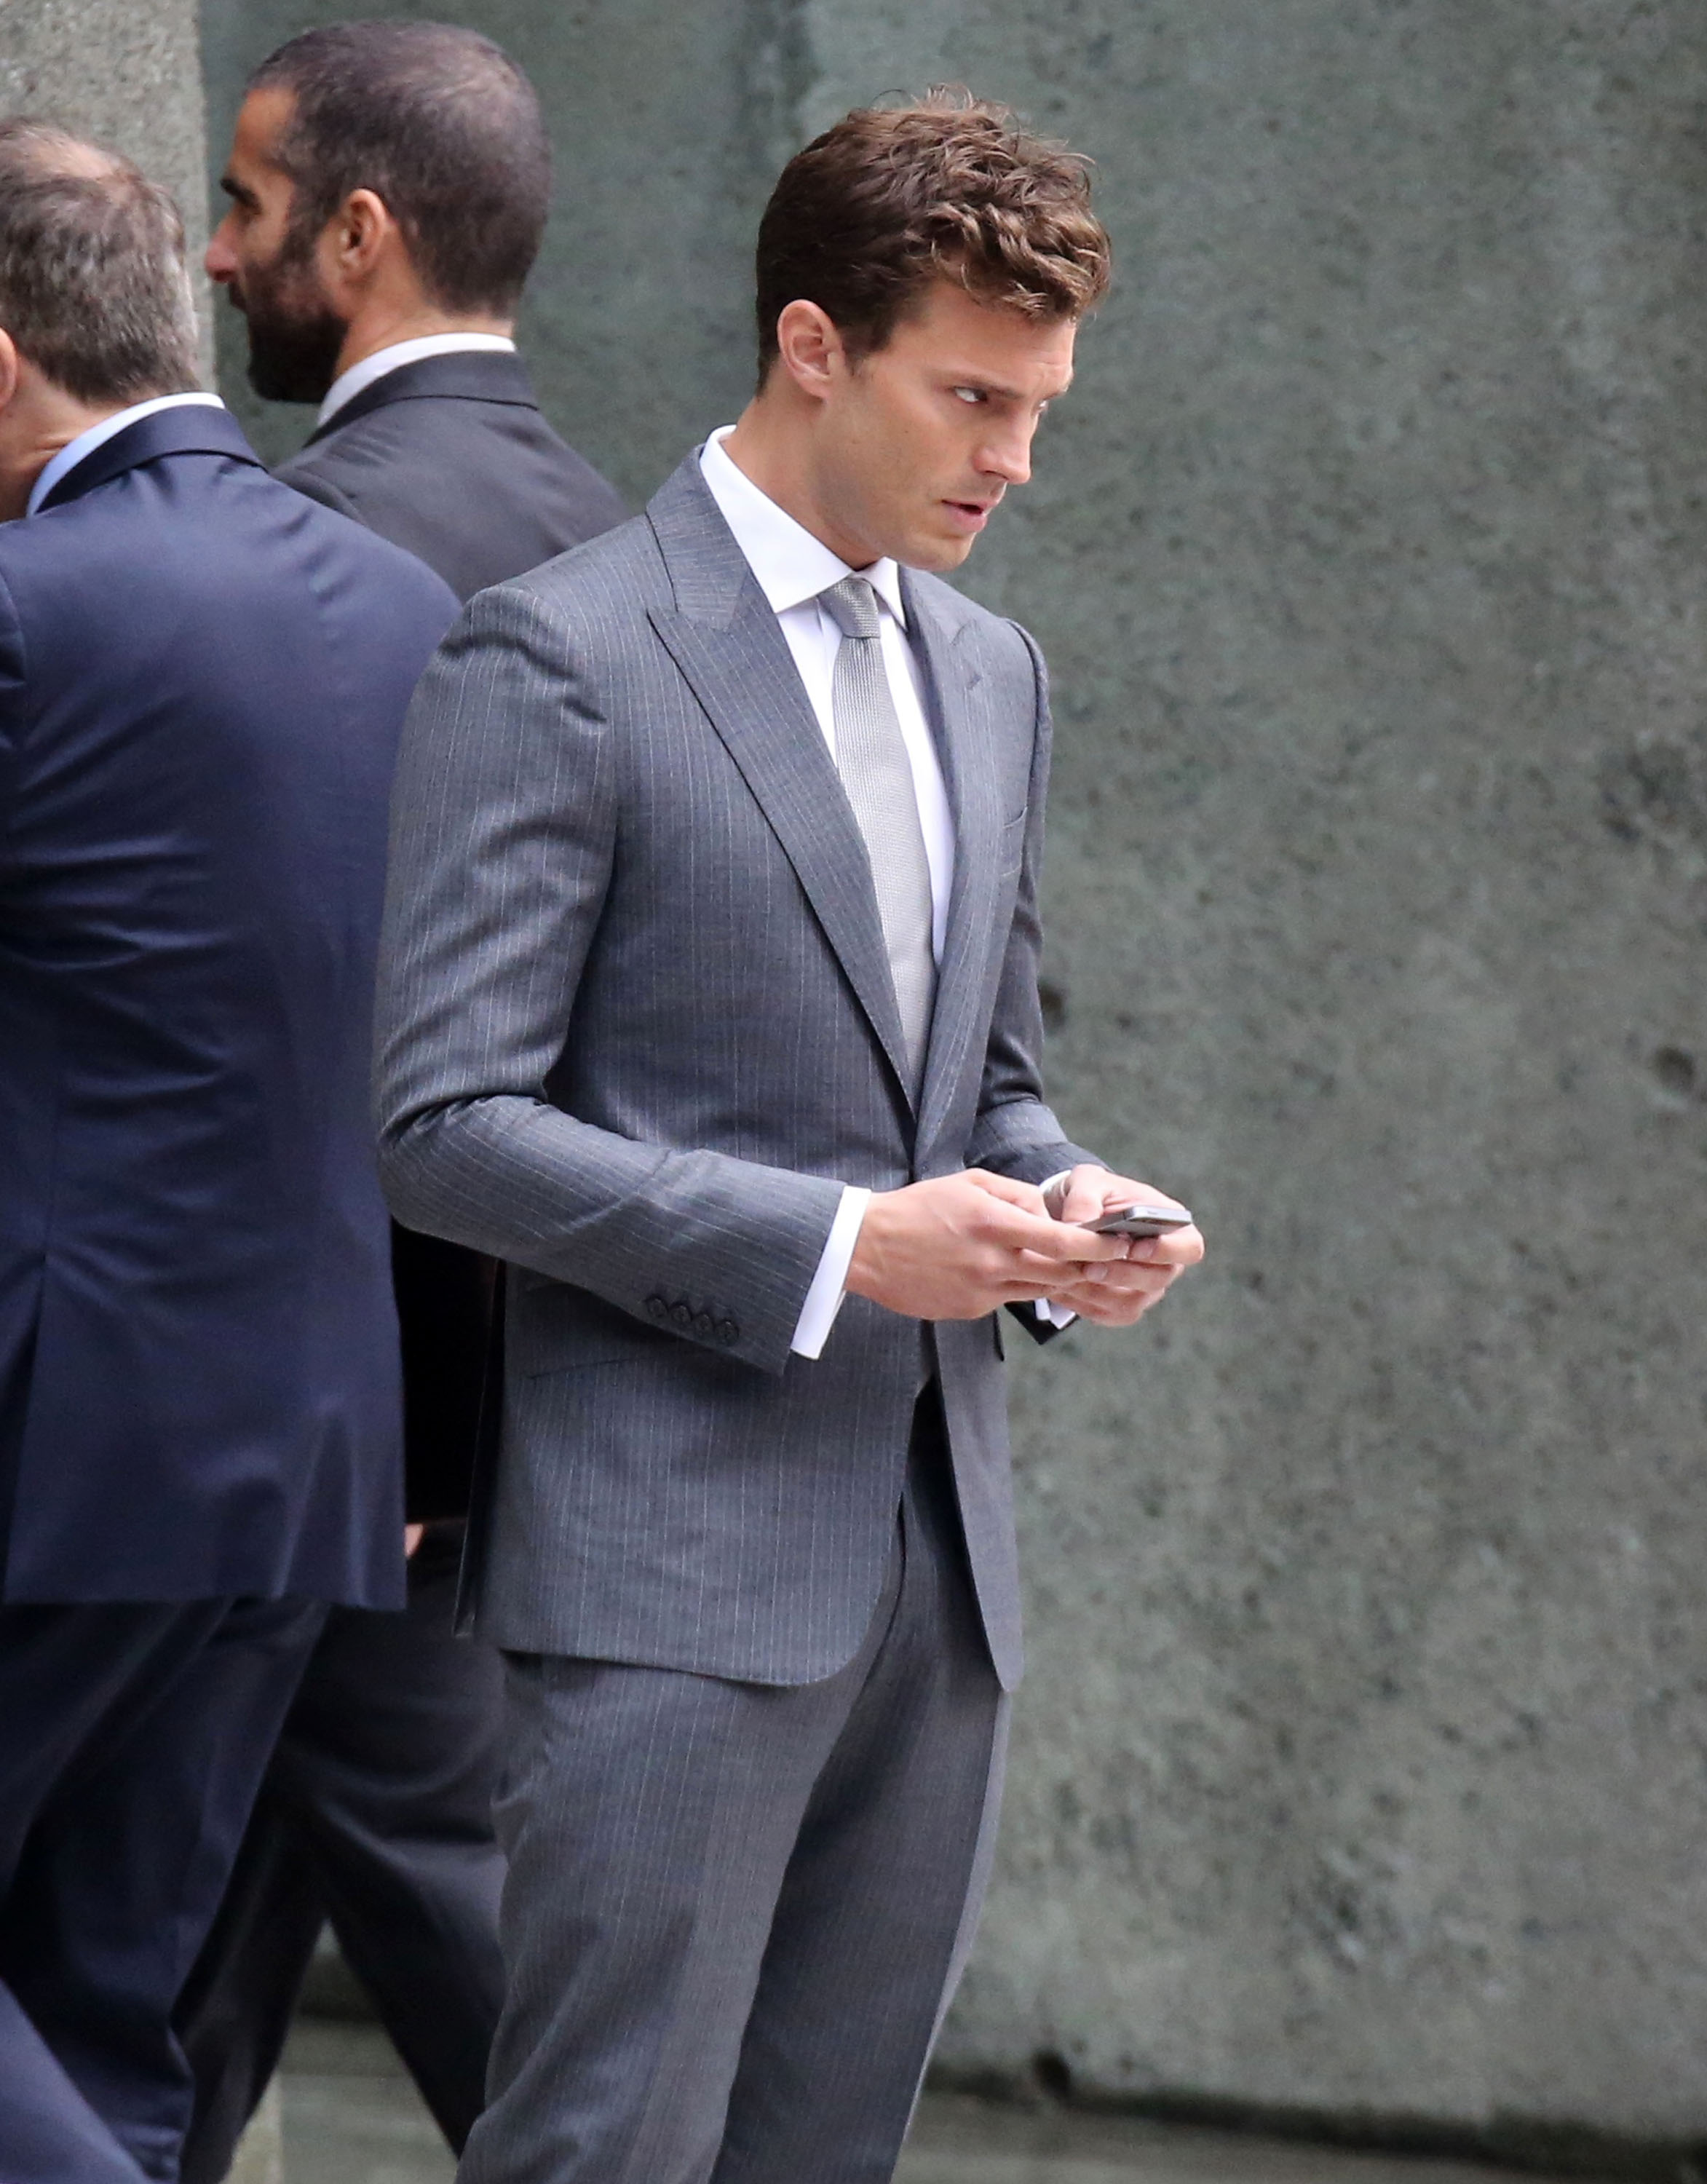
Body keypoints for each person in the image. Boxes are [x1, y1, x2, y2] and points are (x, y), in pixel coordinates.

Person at [375, 88, 1205, 2184]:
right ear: (813, 345)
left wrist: (1072, 1201)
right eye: (974, 398)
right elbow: (442, 1126)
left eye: (1040, 409)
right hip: (661, 1576)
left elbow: (982, 1082)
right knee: (604, 2152)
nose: (1015, 459)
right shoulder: (559, 654)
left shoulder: (995, 676)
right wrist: (843, 1247)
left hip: (940, 1578)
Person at [178, 24, 627, 2181]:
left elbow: (338, 1027)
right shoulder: (620, 539)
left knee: (486, 1972)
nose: (214, 252)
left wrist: (420, 1434)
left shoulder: (310, 556)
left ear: (357, 236)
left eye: (247, 206)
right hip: (492, 1415)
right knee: (177, 1963)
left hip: (350, 1438)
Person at [0, 124, 457, 2183]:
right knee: (105, 2007)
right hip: (314, 1453)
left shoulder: (27, 610)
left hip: (60, 1441)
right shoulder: (404, 604)